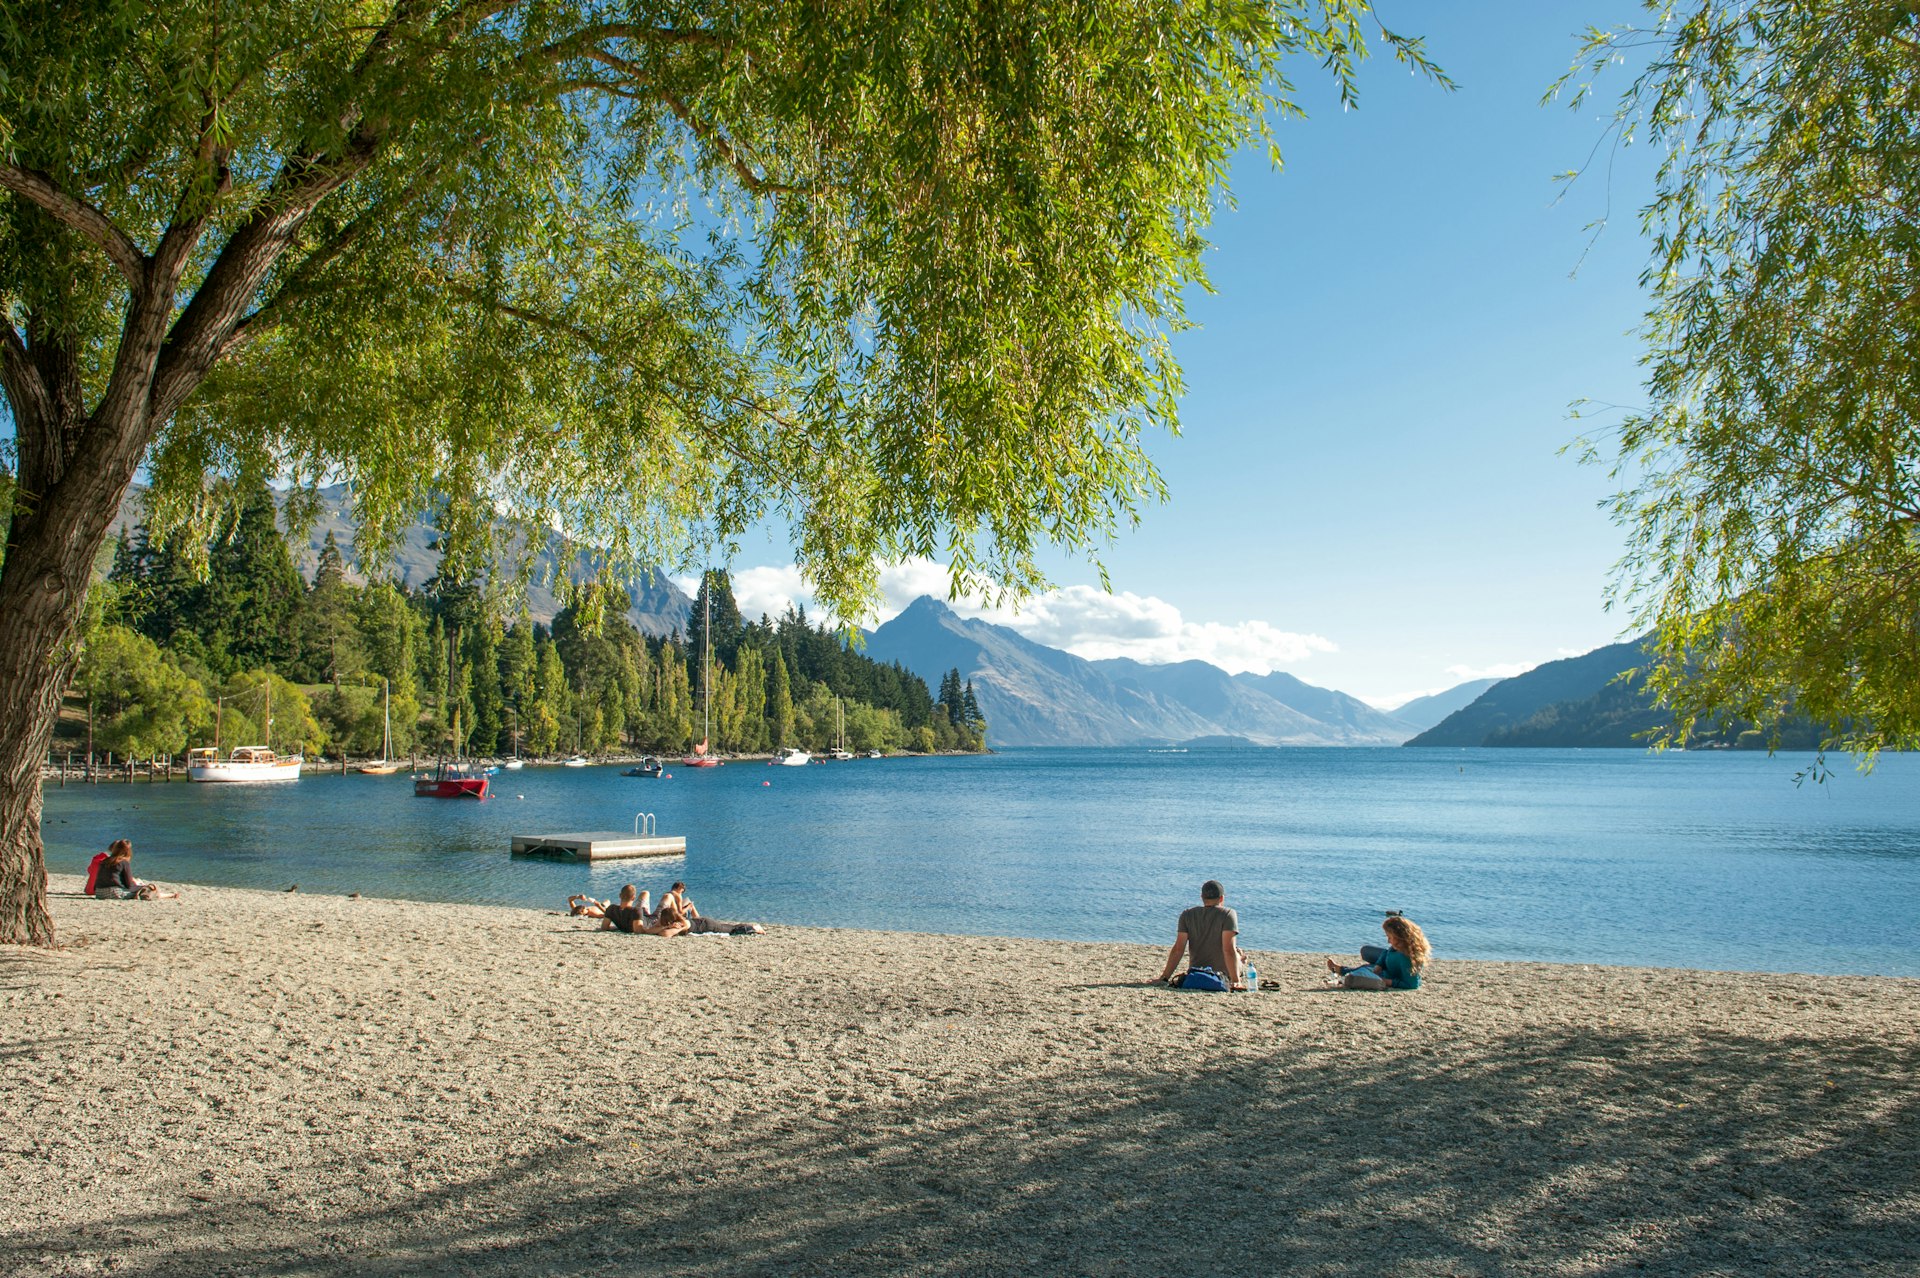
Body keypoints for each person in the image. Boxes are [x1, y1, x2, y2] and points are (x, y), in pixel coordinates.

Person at [1154, 879, 1244, 991]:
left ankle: (1240, 958)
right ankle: (1240, 962)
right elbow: (1228, 950)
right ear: (1221, 898)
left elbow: (1178, 949)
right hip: (1222, 975)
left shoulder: (1187, 914)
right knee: (1237, 953)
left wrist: (1164, 977)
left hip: (1197, 972)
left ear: (1202, 897)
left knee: (1237, 953)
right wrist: (1236, 981)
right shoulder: (1228, 914)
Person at [1327, 913, 1431, 990]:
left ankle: (1341, 970)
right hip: (1387, 964)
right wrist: (1379, 964)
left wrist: (1388, 982)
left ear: (1400, 937)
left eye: (1390, 937)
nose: (1388, 940)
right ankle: (1343, 970)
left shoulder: (1407, 958)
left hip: (1389, 973)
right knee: (1366, 951)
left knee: (1364, 969)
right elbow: (1386, 952)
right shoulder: (1397, 947)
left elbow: (1412, 985)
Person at [92, 841, 177, 901]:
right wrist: (141, 886)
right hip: (114, 893)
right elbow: (129, 885)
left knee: (144, 889)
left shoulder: (104, 861)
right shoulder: (123, 862)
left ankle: (170, 895)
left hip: (99, 893)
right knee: (148, 890)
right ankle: (169, 895)